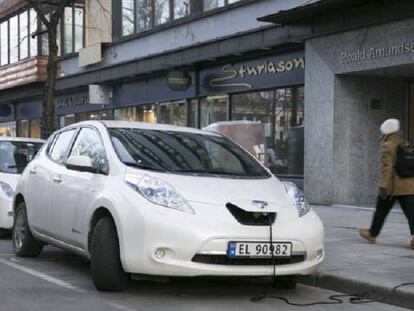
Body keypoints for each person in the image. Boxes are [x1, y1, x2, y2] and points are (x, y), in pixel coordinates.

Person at [359, 118, 414, 249]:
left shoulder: (388, 144)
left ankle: (372, 234)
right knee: (411, 213)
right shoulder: (404, 142)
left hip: (393, 186)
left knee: (381, 210)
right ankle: (372, 233)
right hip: (409, 185)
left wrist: (383, 186)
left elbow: (387, 167)